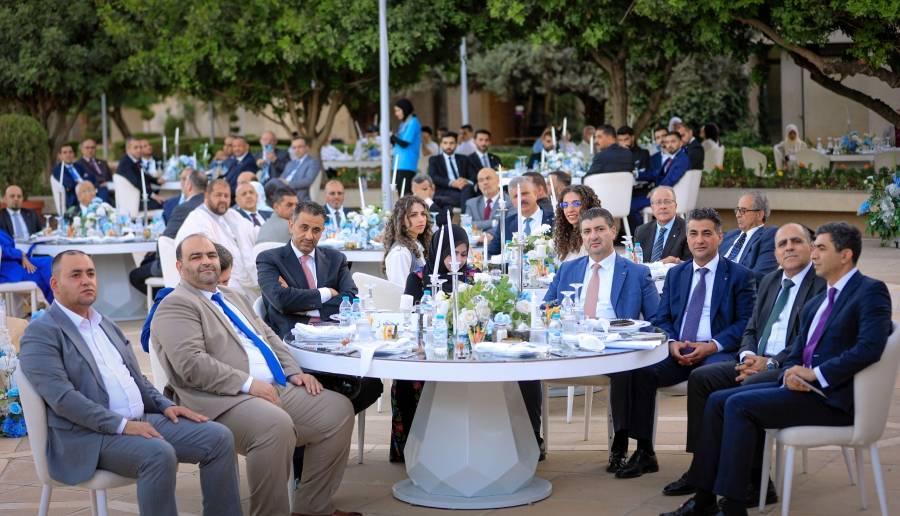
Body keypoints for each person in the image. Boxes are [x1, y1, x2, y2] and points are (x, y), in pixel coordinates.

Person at [662, 222, 893, 516]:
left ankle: (733, 506)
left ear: (845, 255)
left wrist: (815, 374)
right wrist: (789, 370)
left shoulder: (870, 291)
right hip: (800, 386)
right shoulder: (821, 300)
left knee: (738, 404)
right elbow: (798, 349)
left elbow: (869, 347)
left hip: (832, 397)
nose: (814, 254)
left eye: (820, 248)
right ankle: (704, 498)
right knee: (719, 401)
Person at [151, 234, 359, 516]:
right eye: (196, 257)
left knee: (338, 410)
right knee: (274, 425)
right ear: (179, 266)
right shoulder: (176, 304)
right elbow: (191, 365)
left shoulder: (231, 296)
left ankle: (312, 508)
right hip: (220, 399)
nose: (206, 262)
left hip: (273, 386)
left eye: (211, 255)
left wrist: (293, 372)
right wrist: (249, 384)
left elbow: (269, 336)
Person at [20, 250, 240, 516]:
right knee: (158, 454)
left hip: (139, 420)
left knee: (218, 438)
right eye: (75, 275)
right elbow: (63, 399)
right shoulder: (41, 332)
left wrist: (166, 405)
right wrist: (122, 425)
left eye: (90, 273)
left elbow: (137, 379)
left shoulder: (105, 324)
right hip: (88, 436)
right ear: (55, 284)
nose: (86, 280)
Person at [662, 223, 826, 503]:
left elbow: (807, 340)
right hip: (754, 361)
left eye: (796, 241)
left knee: (738, 393)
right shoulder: (770, 281)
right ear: (775, 253)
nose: (789, 248)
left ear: (811, 248)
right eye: (782, 244)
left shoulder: (820, 286)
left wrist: (771, 363)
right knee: (702, 379)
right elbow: (750, 328)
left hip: (788, 367)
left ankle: (756, 479)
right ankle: (702, 466)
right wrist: (747, 356)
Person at [608, 208, 756, 479]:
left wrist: (713, 345)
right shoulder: (677, 274)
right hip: (678, 349)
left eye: (707, 233)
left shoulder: (740, 275)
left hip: (716, 352)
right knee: (640, 370)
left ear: (720, 237)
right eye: (693, 233)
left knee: (703, 378)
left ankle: (701, 464)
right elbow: (662, 318)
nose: (699, 240)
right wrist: (672, 342)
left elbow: (746, 323)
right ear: (687, 238)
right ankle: (644, 452)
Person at [392, 224, 474, 462]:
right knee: (408, 376)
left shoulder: (472, 277)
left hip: (464, 351)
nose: (458, 261)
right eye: (452, 254)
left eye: (463, 254)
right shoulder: (418, 278)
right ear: (439, 250)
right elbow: (408, 318)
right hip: (426, 348)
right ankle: (415, 447)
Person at [142, 243, 233, 353]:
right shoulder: (170, 298)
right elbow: (147, 342)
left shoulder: (232, 298)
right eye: (216, 282)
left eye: (226, 281)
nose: (220, 288)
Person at [129, 169, 208, 293]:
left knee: (135, 275)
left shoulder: (184, 208)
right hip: (204, 260)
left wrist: (158, 260)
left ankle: (165, 301)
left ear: (189, 186)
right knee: (146, 263)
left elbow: (165, 240)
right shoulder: (209, 206)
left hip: (178, 264)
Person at [175, 179, 258, 298]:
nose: (223, 199)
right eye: (218, 195)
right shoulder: (197, 219)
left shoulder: (233, 215)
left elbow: (255, 234)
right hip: (218, 279)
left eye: (226, 196)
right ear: (206, 196)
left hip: (246, 278)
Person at [631, 131, 691, 220]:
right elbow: (656, 174)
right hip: (663, 193)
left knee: (631, 205)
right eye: (667, 142)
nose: (669, 145)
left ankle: (641, 229)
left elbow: (671, 179)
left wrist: (656, 190)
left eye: (673, 141)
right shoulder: (672, 159)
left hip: (668, 196)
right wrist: (637, 174)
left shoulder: (682, 159)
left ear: (681, 143)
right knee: (633, 198)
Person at [488, 176, 554, 256]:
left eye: (525, 193)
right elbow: (491, 254)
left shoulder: (554, 220)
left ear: (535, 194)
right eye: (516, 196)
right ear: (511, 201)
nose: (521, 199)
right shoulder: (506, 224)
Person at [721, 191, 778, 281]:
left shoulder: (769, 236)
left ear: (759, 215)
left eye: (743, 211)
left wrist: (724, 278)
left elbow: (760, 275)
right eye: (737, 210)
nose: (737, 215)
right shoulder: (729, 235)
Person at [634, 186, 692, 264]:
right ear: (652, 208)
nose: (663, 206)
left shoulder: (688, 230)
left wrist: (677, 262)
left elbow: (693, 264)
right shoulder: (641, 231)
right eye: (658, 202)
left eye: (667, 202)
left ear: (675, 206)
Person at [383, 195, 432, 287]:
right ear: (401, 220)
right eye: (413, 215)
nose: (421, 219)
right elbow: (400, 290)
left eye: (423, 214)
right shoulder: (400, 253)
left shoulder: (417, 244)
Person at [0, 229, 53, 303]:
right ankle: (55, 303)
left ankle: (58, 301)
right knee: (41, 276)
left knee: (49, 262)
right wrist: (20, 254)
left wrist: (22, 256)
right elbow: (2, 251)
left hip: (15, 260)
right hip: (6, 270)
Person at [552, 184, 602, 262]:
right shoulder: (564, 236)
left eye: (576, 204)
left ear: (588, 205)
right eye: (565, 205)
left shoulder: (594, 236)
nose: (570, 210)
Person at [428, 131, 476, 208]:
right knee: (469, 197)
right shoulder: (434, 159)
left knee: (468, 189)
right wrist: (452, 183)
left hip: (464, 188)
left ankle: (465, 213)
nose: (448, 146)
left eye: (451, 143)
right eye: (445, 143)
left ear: (456, 144)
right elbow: (433, 177)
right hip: (445, 190)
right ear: (441, 144)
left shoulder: (464, 159)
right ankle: (466, 214)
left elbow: (473, 175)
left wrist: (466, 181)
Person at [116, 138, 165, 209]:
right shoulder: (126, 163)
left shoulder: (132, 161)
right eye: (135, 148)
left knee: (165, 202)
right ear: (128, 150)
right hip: (131, 203)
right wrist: (153, 195)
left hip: (137, 198)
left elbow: (143, 176)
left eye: (140, 147)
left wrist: (156, 180)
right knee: (164, 204)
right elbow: (136, 181)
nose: (139, 150)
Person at [391, 98, 422, 196]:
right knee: (400, 193)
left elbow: (405, 143)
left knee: (406, 193)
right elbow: (398, 142)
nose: (396, 114)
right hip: (398, 163)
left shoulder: (413, 122)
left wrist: (392, 137)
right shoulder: (403, 124)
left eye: (398, 110)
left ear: (405, 109)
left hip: (407, 163)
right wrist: (393, 139)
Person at [464, 167, 509, 232]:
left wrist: (488, 234)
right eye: (481, 180)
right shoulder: (471, 203)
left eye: (488, 178)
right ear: (478, 185)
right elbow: (467, 225)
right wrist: (493, 222)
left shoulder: (509, 201)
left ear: (498, 180)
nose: (485, 182)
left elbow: (508, 225)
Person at [54, 144, 90, 209]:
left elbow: (90, 178)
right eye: (65, 152)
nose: (68, 155)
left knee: (102, 190)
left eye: (70, 152)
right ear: (60, 156)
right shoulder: (58, 169)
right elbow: (69, 185)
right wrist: (82, 184)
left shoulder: (79, 166)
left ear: (73, 154)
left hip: (88, 193)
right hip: (74, 198)